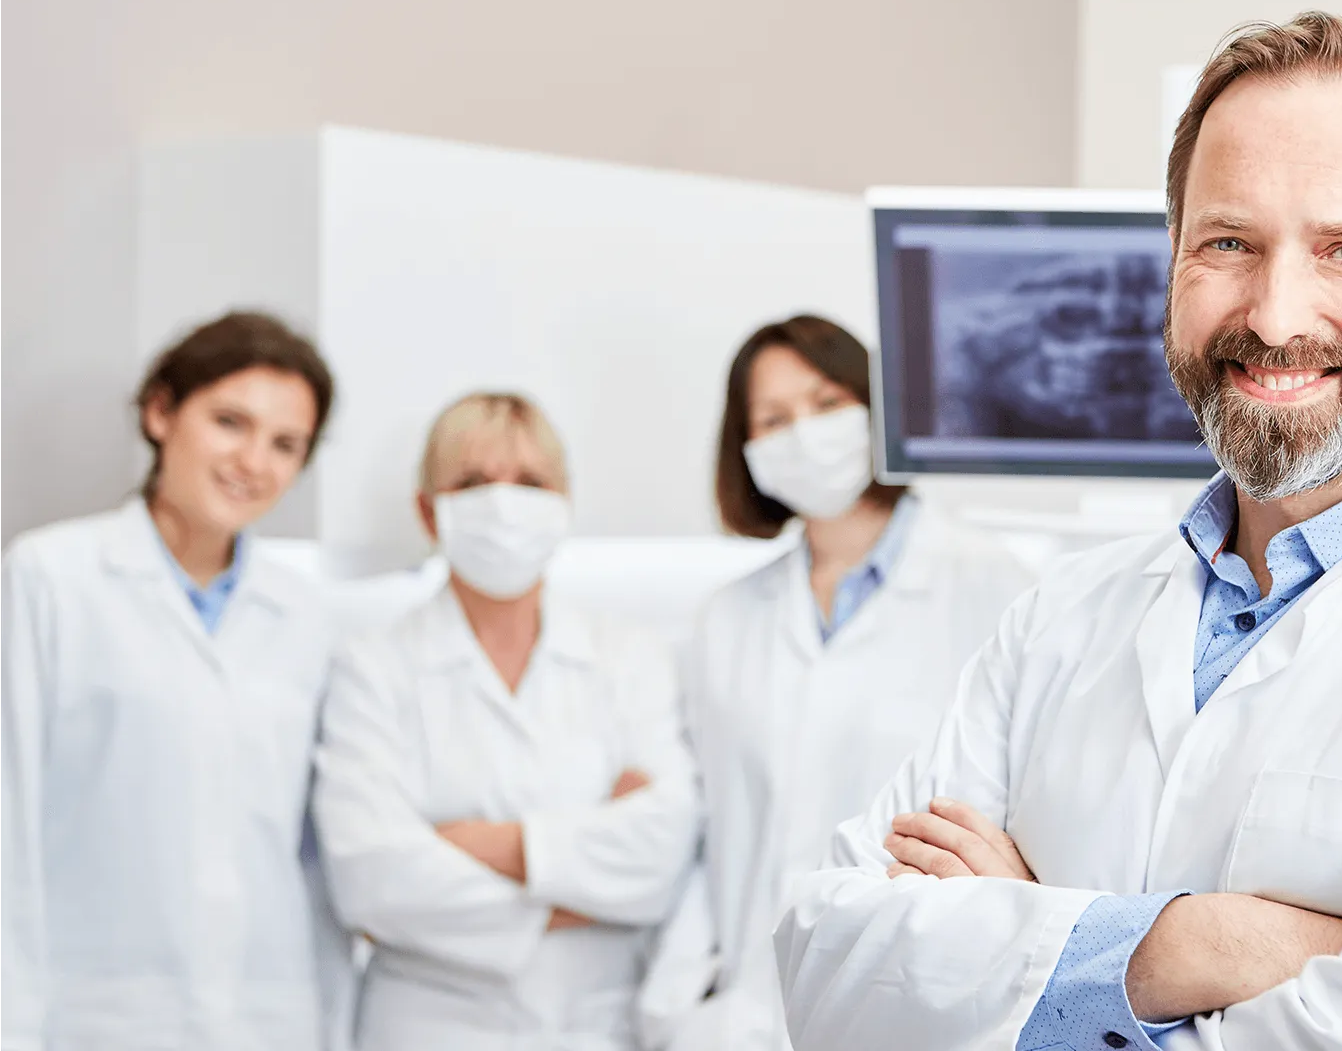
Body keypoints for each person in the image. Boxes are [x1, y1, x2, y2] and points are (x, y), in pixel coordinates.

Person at [774, 13, 1342, 1051]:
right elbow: (826, 965)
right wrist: (1194, 949)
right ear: (1172, 263)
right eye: (1227, 243)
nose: (1273, 315)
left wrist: (1028, 956)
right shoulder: (1059, 620)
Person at [637, 315, 1034, 1049]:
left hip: (919, 1008)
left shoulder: (995, 587)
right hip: (741, 1017)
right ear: (746, 449)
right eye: (774, 418)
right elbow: (707, 834)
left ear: (877, 406)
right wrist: (680, 1007)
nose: (804, 434)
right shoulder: (726, 619)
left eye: (825, 404)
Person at [0, 311, 352, 1050]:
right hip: (95, 1015)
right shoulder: (50, 578)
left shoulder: (310, 617)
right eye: (230, 422)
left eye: (285, 444)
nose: (254, 461)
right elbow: (10, 823)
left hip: (269, 1015)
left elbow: (318, 865)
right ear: (161, 413)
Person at [312, 392, 699, 1051]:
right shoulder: (373, 667)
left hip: (598, 1025)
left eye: (529, 482)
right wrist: (587, 880)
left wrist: (468, 843)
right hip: (428, 1028)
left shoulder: (630, 656)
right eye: (472, 483)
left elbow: (661, 856)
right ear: (428, 511)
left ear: (564, 504)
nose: (504, 504)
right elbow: (370, 879)